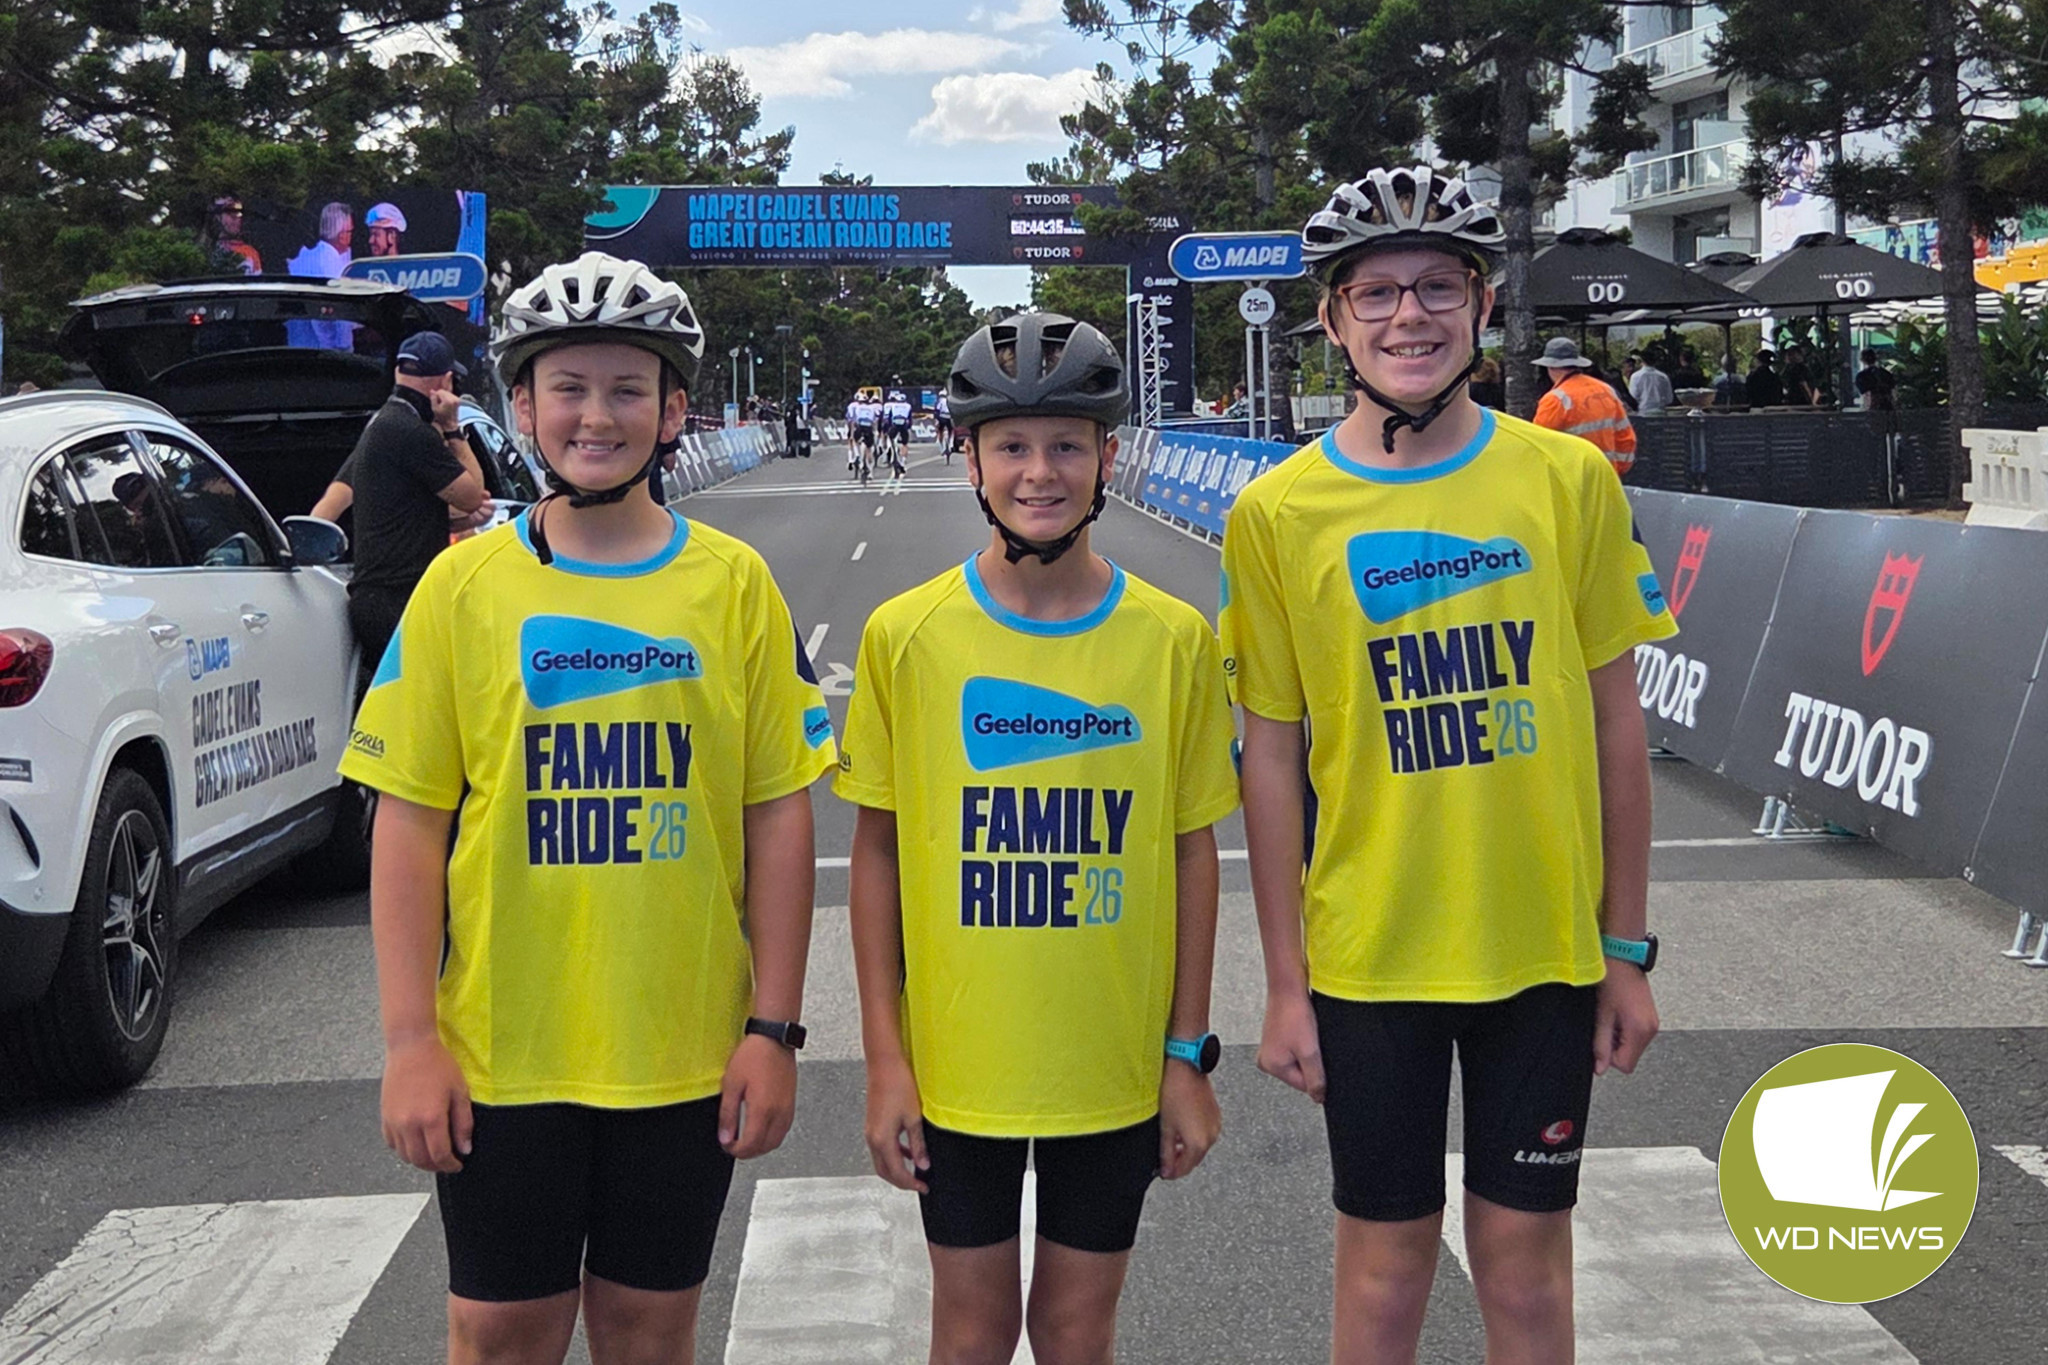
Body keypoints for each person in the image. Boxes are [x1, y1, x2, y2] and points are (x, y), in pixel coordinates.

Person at [340, 251, 832, 1365]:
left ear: (672, 414)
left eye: (627, 389)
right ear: (519, 405)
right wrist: (410, 1039)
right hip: (504, 1051)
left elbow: (779, 816)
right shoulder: (462, 588)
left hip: (684, 1050)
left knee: (648, 1335)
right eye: (566, 387)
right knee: (501, 1335)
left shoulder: (734, 583)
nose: (594, 415)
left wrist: (774, 1031)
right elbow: (409, 822)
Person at [1222, 165, 1674, 1365]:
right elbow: (1270, 758)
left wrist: (1624, 948)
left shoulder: (1564, 479)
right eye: (1372, 293)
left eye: (1436, 286)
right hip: (1368, 957)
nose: (1405, 317)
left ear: (1479, 306)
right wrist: (1280, 982)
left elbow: (1615, 726)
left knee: (1524, 1279)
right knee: (1380, 1276)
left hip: (1542, 949)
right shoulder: (1276, 512)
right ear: (1329, 321)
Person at [839, 313, 1238, 1365]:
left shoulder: (1171, 638)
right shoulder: (904, 636)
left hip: (1107, 1064)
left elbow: (1193, 855)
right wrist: (885, 1062)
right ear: (967, 458)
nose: (1039, 472)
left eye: (1066, 444)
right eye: (1010, 446)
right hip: (955, 1068)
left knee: (1071, 1329)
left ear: (1109, 457)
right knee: (967, 1332)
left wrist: (1183, 1054)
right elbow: (873, 857)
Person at [326, 332, 488, 700]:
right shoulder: (410, 431)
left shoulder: (382, 424)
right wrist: (452, 427)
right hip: (398, 598)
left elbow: (355, 502)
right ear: (444, 381)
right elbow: (470, 493)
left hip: (379, 598)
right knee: (426, 703)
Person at [1532, 336, 1637, 477]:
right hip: (1607, 475)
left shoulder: (1555, 399)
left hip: (1573, 479)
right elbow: (1626, 438)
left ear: (1550, 367)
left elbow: (1539, 446)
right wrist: (1617, 470)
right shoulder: (1606, 390)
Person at [204, 196, 263, 275]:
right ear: (217, 217)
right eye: (230, 212)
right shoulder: (205, 251)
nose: (236, 218)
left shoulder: (250, 253)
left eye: (239, 213)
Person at [1628, 346, 1674, 415]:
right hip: (1661, 413)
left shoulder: (1636, 376)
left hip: (1643, 413)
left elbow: (1633, 397)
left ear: (1642, 360)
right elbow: (1669, 399)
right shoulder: (1663, 377)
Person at [934, 389, 955, 462]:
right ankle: (951, 444)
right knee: (951, 430)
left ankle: (941, 448)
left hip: (941, 417)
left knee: (940, 431)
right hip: (949, 417)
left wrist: (936, 419)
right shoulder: (950, 400)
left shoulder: (939, 401)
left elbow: (936, 410)